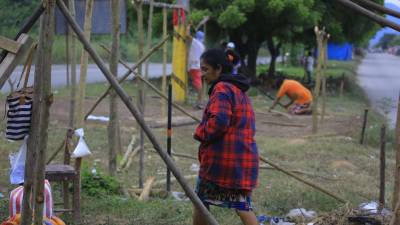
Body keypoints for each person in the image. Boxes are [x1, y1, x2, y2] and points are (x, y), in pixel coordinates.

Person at [193, 48, 259, 225]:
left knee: (200, 201)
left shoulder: (221, 89)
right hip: (241, 160)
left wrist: (200, 132)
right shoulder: (238, 90)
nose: (202, 74)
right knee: (242, 206)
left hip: (224, 163)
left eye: (205, 69)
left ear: (219, 69)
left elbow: (219, 122)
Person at [188, 29, 206, 108]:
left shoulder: (196, 42)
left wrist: (188, 27)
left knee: (198, 84)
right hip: (197, 66)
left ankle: (200, 102)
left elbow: (187, 35)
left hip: (195, 66)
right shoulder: (202, 45)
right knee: (198, 84)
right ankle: (199, 101)